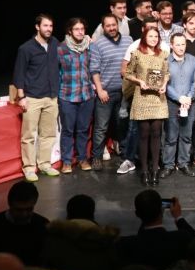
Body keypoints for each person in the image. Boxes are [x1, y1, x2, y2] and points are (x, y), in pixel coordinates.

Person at [13, 14, 61, 181]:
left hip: (51, 96)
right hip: (32, 97)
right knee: (29, 135)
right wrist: (21, 97)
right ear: (37, 27)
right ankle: (29, 167)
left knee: (48, 134)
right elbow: (19, 73)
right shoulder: (26, 48)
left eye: (51, 26)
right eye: (45, 26)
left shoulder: (55, 43)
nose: (49, 29)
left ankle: (45, 164)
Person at [124, 26, 170, 186]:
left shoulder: (163, 54)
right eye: (150, 36)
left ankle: (155, 170)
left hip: (158, 98)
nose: (153, 39)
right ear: (144, 37)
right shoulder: (137, 54)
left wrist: (164, 84)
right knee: (143, 134)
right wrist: (140, 81)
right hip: (142, 97)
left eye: (156, 36)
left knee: (157, 133)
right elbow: (127, 73)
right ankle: (144, 170)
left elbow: (167, 73)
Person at [90, 13, 133, 171]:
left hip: (124, 92)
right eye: (107, 26)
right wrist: (100, 90)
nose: (111, 28)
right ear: (103, 27)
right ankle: (96, 156)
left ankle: (125, 155)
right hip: (106, 93)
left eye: (113, 25)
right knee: (101, 127)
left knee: (122, 125)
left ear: (118, 24)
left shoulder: (129, 41)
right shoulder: (97, 44)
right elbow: (94, 69)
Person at [116, 191, 195, 270]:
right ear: (161, 210)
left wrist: (145, 214)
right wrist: (178, 217)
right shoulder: (181, 238)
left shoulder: (125, 244)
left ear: (137, 214)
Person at [57, 17, 96, 173]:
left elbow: (93, 68)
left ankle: (82, 159)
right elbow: (54, 72)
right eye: (76, 29)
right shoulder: (61, 48)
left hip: (86, 95)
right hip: (67, 95)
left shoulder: (89, 46)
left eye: (82, 29)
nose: (80, 32)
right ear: (69, 31)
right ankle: (66, 161)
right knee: (68, 129)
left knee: (83, 129)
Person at [161, 33, 195, 179]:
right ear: (171, 45)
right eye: (177, 44)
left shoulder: (193, 60)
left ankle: (184, 163)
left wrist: (188, 97)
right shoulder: (165, 61)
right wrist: (179, 97)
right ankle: (169, 165)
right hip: (172, 103)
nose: (181, 47)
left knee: (186, 135)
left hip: (190, 103)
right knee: (171, 136)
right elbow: (166, 84)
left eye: (183, 44)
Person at [0, 181, 49, 265]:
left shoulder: (43, 225)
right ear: (9, 204)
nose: (24, 214)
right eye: (19, 210)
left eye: (29, 209)